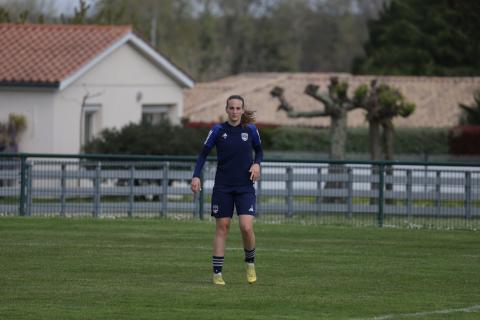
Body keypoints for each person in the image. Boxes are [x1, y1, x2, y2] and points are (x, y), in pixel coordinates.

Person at [191, 95, 263, 286]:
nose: (234, 112)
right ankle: (217, 274)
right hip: (223, 187)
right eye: (231, 108)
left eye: (238, 108)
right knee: (222, 228)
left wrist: (257, 164)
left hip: (245, 187)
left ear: (242, 110)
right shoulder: (217, 130)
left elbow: (260, 152)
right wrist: (196, 175)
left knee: (247, 228)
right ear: (226, 109)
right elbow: (202, 155)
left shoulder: (251, 130)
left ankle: (250, 264)